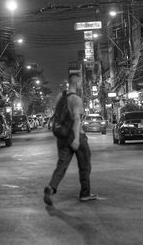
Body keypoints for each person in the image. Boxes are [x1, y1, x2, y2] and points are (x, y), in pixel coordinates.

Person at [43, 73, 97, 206]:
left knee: (61, 165)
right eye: (80, 83)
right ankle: (85, 194)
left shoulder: (59, 97)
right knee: (85, 165)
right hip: (75, 135)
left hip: (62, 137)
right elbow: (77, 120)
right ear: (77, 83)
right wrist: (77, 139)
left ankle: (51, 187)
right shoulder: (76, 99)